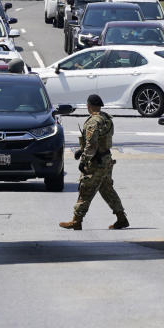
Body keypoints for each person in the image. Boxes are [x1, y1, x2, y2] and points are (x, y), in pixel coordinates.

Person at [59, 94, 129, 230]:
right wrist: (82, 150)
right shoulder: (106, 118)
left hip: (96, 162)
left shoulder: (93, 121)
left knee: (86, 189)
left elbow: (91, 144)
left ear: (89, 106)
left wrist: (83, 160)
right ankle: (121, 218)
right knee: (107, 189)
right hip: (106, 159)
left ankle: (76, 220)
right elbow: (102, 139)